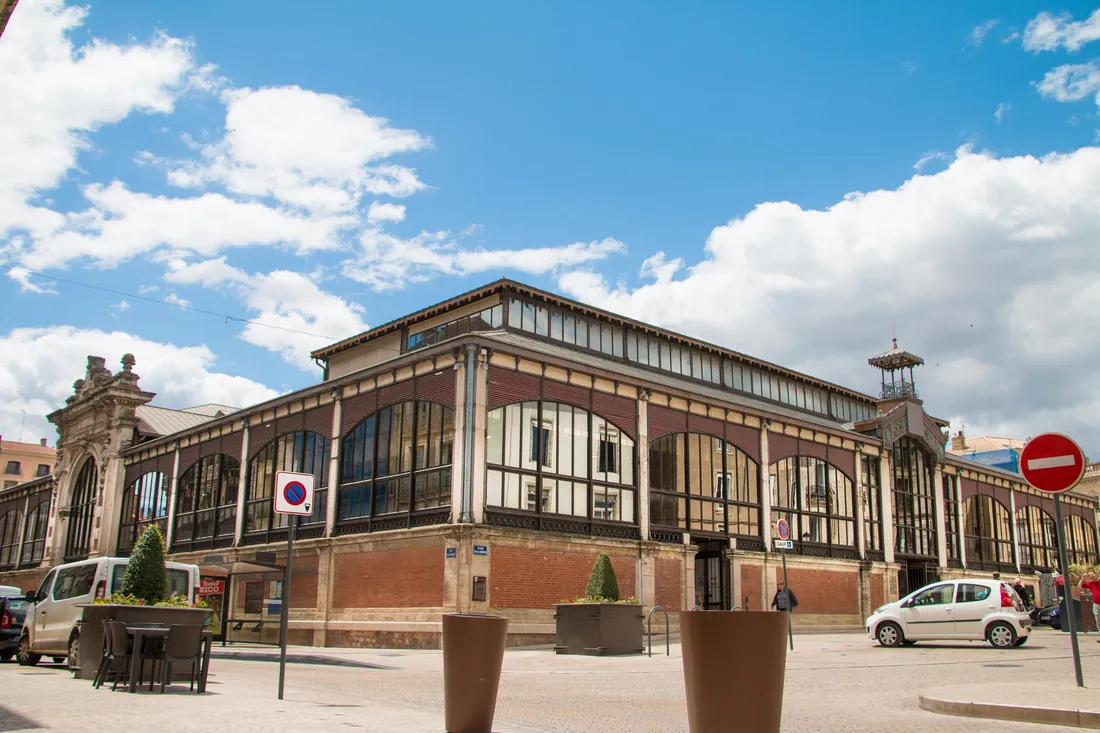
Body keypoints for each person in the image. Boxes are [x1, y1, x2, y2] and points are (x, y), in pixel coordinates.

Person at [1077, 571, 1100, 636]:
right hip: (1096, 604)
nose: (1091, 576)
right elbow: (1079, 586)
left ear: (1095, 574)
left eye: (1092, 574)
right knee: (1098, 621)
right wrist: (1083, 578)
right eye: (1089, 575)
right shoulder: (1091, 584)